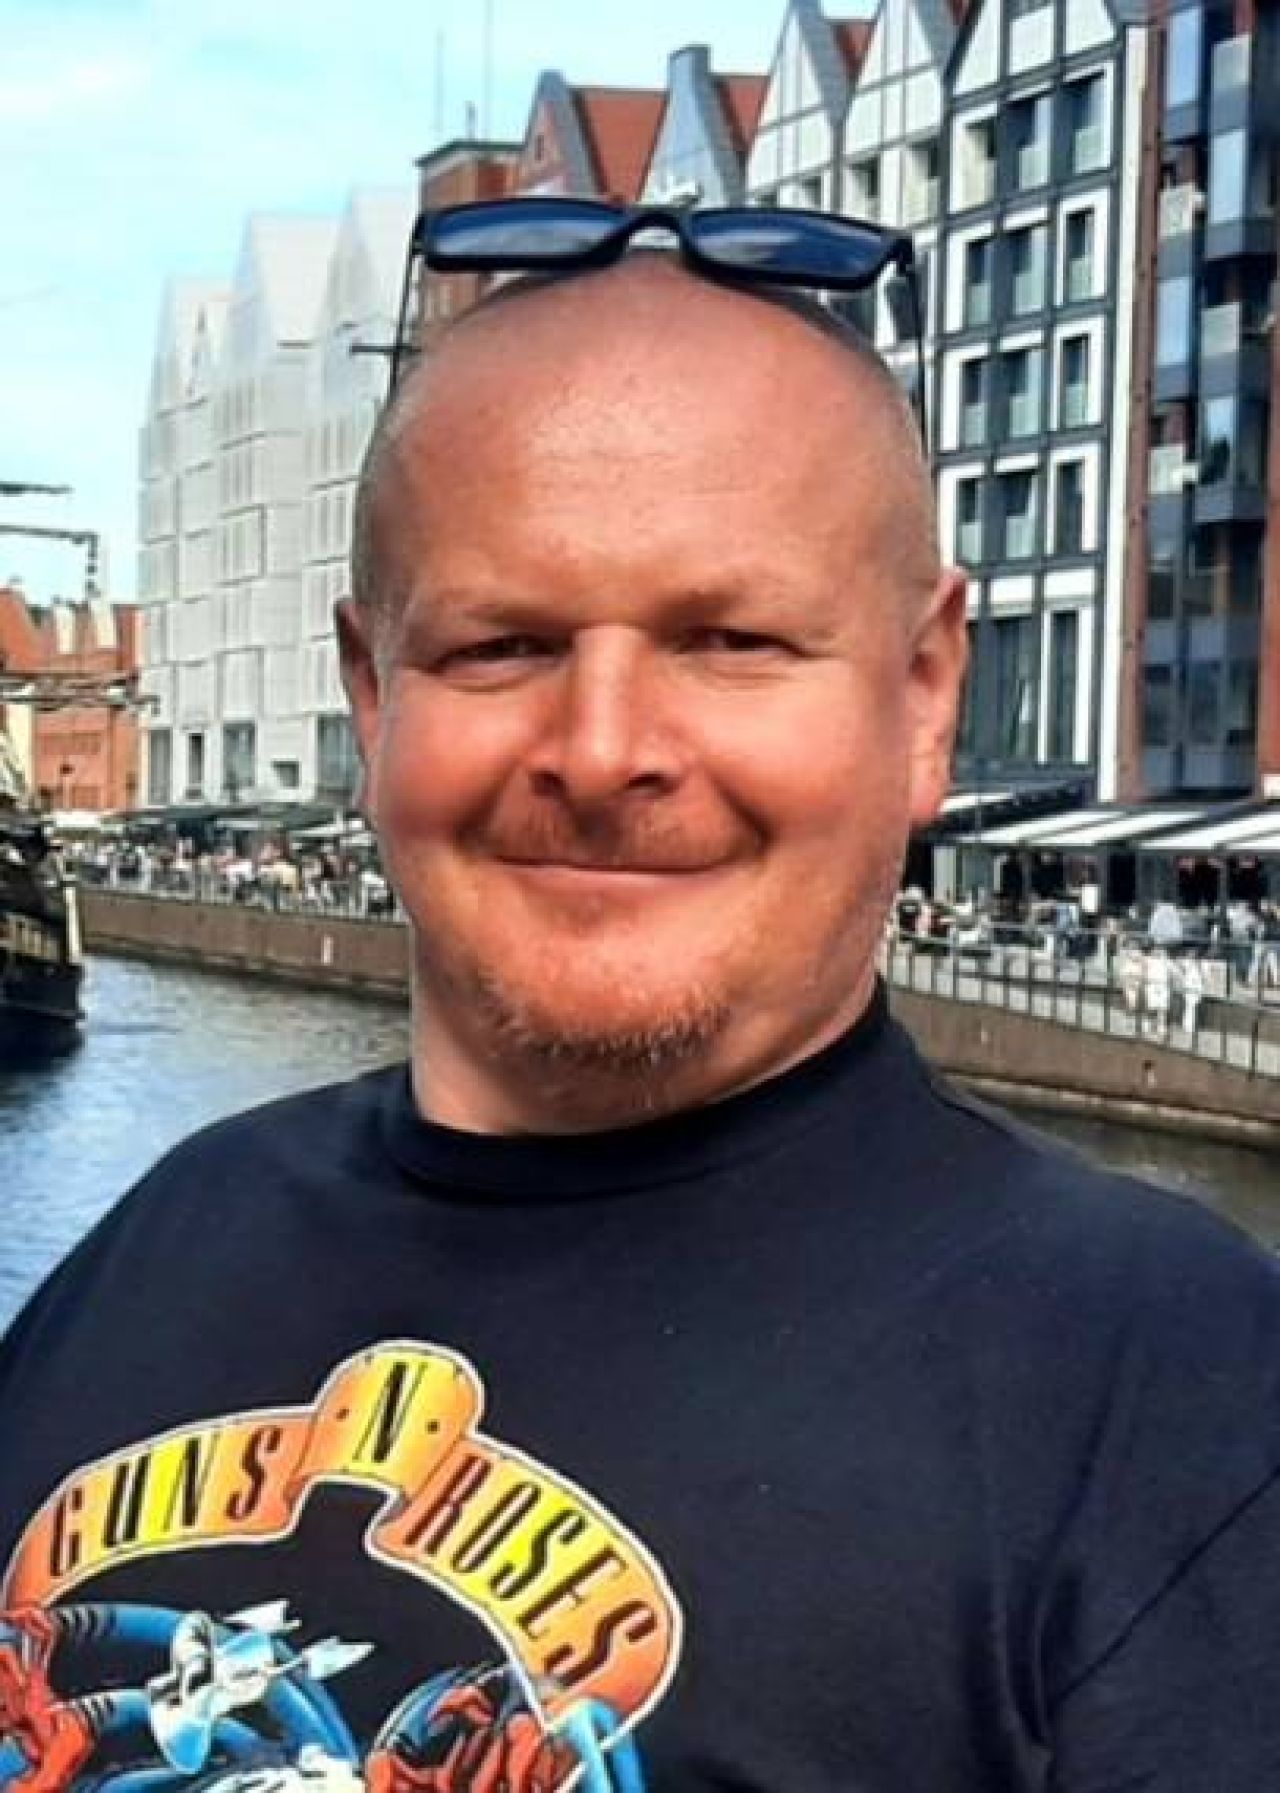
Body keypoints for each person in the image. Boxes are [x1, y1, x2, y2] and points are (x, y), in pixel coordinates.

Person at [2, 250, 1280, 1793]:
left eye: (731, 640)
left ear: (926, 693)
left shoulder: (1177, 1390)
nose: (603, 750)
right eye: (503, 645)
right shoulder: (171, 1228)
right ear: (375, 696)